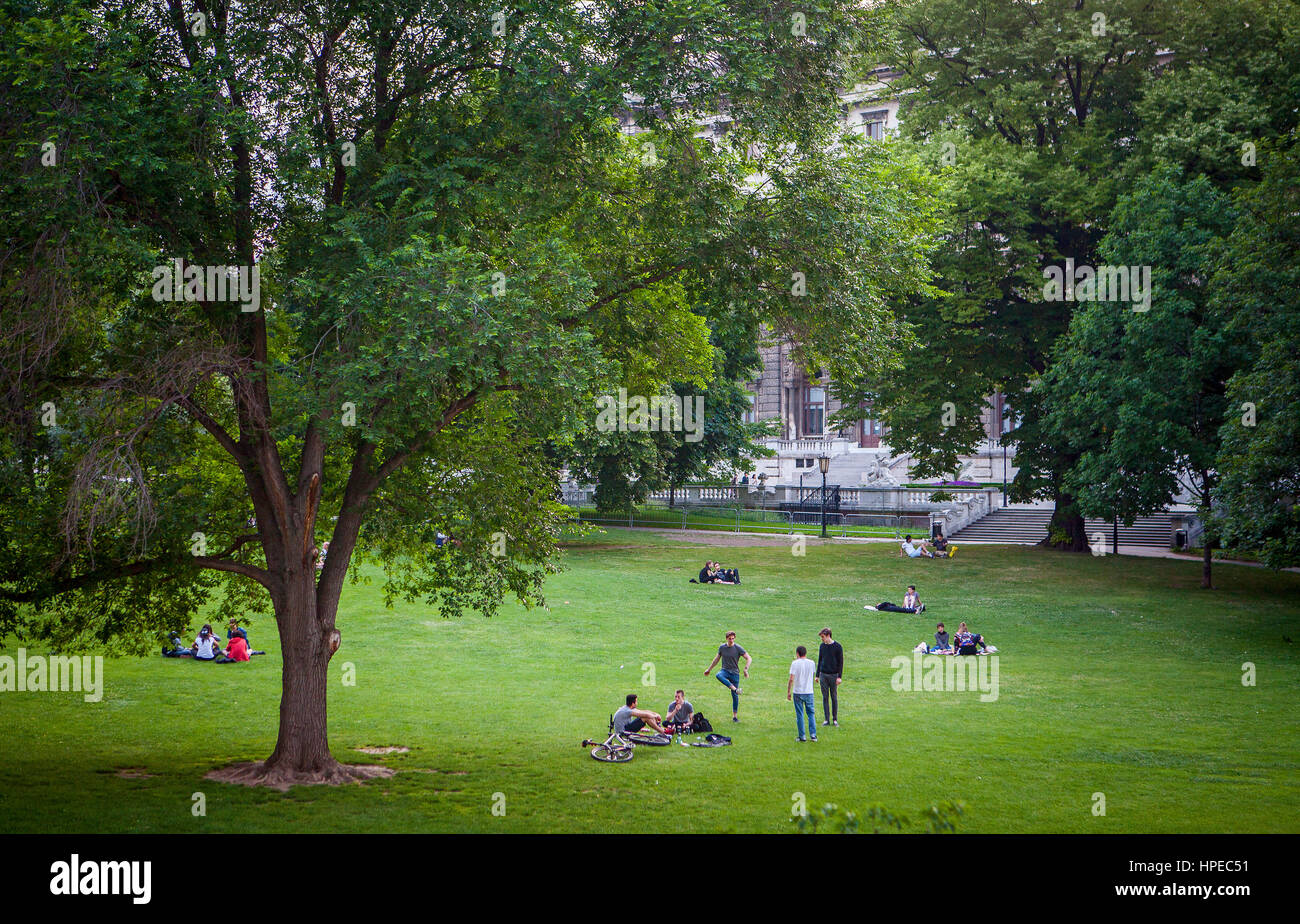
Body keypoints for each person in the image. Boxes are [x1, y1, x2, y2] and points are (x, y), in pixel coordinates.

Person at [704, 631, 751, 722]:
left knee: (735, 696)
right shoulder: (722, 648)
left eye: (733, 638)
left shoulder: (738, 648)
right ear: (726, 638)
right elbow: (716, 659)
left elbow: (749, 658)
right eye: (730, 638)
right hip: (725, 671)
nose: (731, 640)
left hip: (735, 673)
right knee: (718, 675)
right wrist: (709, 669)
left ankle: (735, 717)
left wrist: (746, 669)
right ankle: (734, 689)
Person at [787, 645, 817, 742]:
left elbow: (791, 679)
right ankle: (813, 735)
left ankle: (802, 736)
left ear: (797, 653)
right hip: (809, 691)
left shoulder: (795, 663)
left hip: (798, 692)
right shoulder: (812, 663)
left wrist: (788, 691)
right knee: (811, 713)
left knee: (800, 714)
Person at [815, 628, 843, 727]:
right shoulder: (822, 646)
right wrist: (817, 675)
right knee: (825, 697)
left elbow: (840, 663)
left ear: (828, 635)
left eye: (822, 637)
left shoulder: (838, 647)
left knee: (834, 697)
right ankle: (826, 719)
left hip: (833, 675)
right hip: (823, 674)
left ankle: (835, 719)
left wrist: (839, 677)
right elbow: (820, 660)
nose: (822, 639)